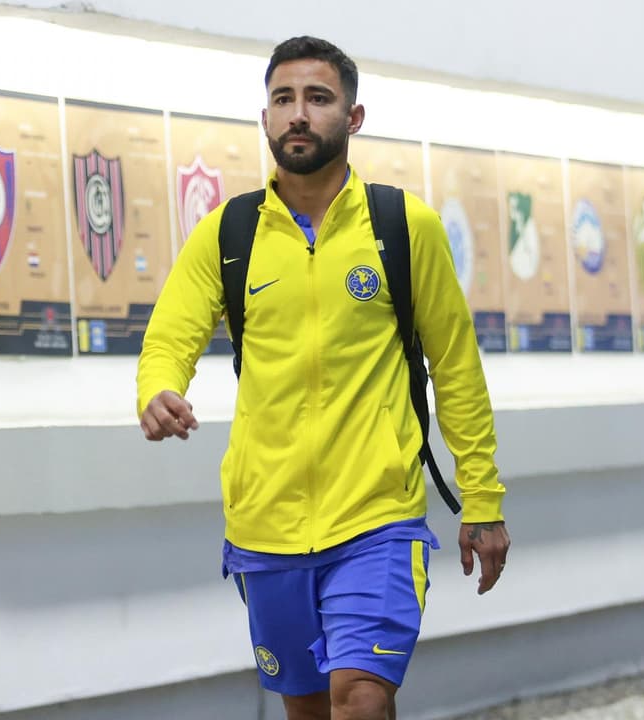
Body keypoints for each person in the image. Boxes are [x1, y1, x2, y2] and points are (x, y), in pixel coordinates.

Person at [136, 36, 510, 720]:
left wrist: (481, 499)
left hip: (377, 518)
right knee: (309, 710)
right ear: (265, 118)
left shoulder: (404, 226)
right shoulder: (228, 234)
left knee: (360, 698)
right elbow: (170, 336)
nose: (299, 114)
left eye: (318, 98)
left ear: (353, 117)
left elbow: (456, 367)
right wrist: (158, 390)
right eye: (283, 99)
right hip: (265, 524)